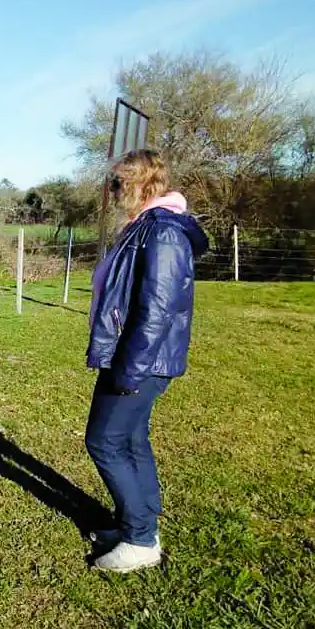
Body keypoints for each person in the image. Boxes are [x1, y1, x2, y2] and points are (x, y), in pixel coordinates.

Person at [84, 149, 209, 573]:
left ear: (139, 184)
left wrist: (130, 370)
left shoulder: (164, 231)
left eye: (118, 183)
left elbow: (157, 309)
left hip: (141, 360)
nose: (112, 190)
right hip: (134, 357)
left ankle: (140, 539)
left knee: (103, 441)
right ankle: (138, 522)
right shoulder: (143, 227)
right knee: (131, 439)